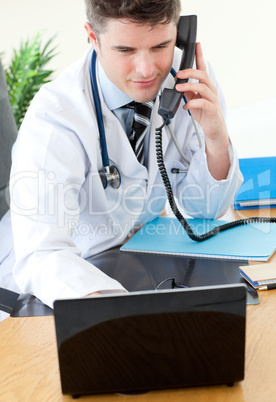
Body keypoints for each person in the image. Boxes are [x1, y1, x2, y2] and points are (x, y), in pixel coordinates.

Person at [2, 0, 242, 308]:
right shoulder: (55, 117)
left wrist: (215, 137)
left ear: (182, 36)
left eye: (160, 46)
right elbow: (43, 255)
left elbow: (206, 209)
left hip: (133, 263)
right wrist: (122, 315)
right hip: (53, 292)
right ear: (93, 37)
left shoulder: (188, 86)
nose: (146, 70)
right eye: (125, 50)